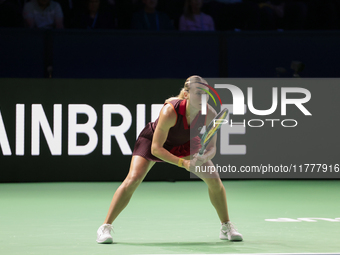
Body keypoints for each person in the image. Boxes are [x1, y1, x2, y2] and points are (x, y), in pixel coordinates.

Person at [96, 75, 243, 244]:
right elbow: (156, 149)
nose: (203, 97)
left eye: (206, 94)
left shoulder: (210, 113)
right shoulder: (170, 111)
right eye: (198, 93)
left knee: (215, 181)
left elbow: (212, 148)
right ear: (187, 95)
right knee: (133, 179)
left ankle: (226, 227)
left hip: (186, 143)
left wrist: (205, 156)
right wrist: (184, 163)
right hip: (154, 141)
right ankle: (105, 227)